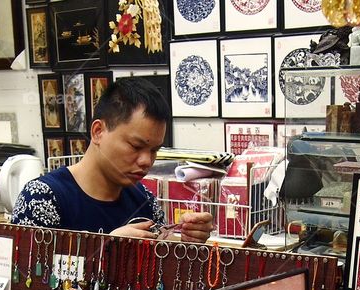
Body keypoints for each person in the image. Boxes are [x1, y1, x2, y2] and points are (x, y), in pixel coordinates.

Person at [12, 78, 213, 241]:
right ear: (98, 131)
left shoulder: (144, 201)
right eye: (135, 146)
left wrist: (186, 245)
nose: (146, 161)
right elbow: (25, 281)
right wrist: (104, 250)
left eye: (154, 150)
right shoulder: (42, 198)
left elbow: (158, 276)